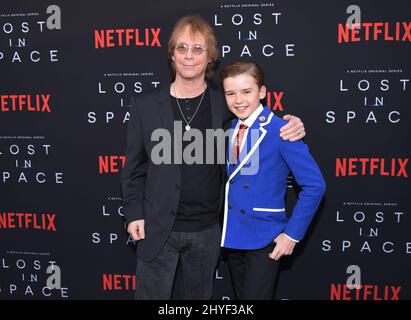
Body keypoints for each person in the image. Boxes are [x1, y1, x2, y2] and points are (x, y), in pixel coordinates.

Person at [121, 15, 306, 300]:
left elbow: (261, 120)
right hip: (157, 228)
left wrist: (293, 125)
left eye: (198, 49)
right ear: (171, 53)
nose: (189, 56)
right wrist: (134, 212)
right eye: (182, 48)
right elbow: (133, 168)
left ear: (210, 57)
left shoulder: (227, 103)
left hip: (209, 230)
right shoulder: (144, 105)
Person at [220, 60, 326, 300]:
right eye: (231, 93)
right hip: (232, 236)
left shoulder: (281, 130)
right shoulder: (227, 129)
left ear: (263, 92)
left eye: (247, 91)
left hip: (265, 236)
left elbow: (315, 185)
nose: (239, 100)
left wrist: (291, 235)